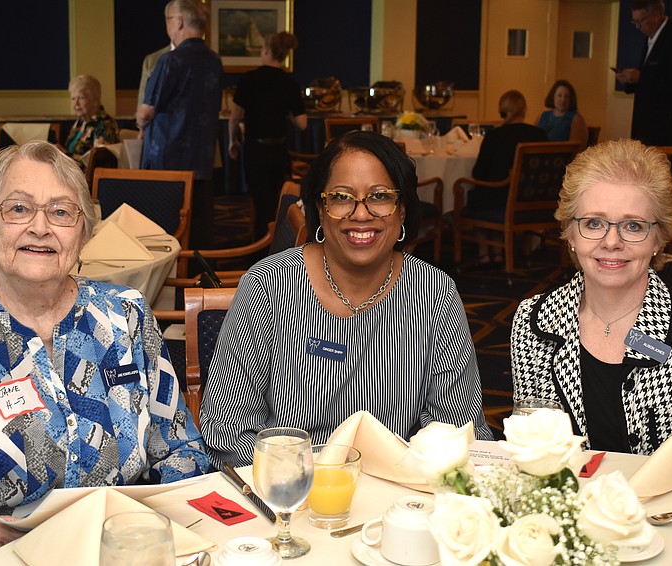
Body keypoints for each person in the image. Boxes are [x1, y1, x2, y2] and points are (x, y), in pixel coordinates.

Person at [0, 141, 210, 564]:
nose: (40, 227)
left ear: (83, 234)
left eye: (62, 212)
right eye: (19, 209)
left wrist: (146, 524)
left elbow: (183, 450)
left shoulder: (126, 317)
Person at [199, 131, 493, 467]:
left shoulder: (434, 293)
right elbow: (227, 432)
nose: (361, 214)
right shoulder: (268, 287)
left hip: (393, 495)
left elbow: (458, 431)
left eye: (380, 196)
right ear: (320, 211)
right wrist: (320, 476)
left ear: (402, 212)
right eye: (341, 197)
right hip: (286, 492)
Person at [510, 139, 672, 465]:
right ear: (570, 235)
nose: (611, 242)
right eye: (593, 223)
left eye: (633, 226)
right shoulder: (535, 321)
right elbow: (532, 455)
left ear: (659, 238)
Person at [137, 0, 222, 250]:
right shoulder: (214, 61)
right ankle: (199, 282)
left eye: (168, 20)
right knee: (199, 229)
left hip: (168, 161)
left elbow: (146, 111)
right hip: (202, 160)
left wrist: (141, 121)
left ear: (180, 21)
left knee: (167, 230)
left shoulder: (170, 60)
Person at [228, 31, 308, 240]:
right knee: (277, 200)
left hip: (256, 149)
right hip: (279, 151)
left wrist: (232, 141)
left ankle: (259, 247)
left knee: (259, 201)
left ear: (266, 51)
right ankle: (277, 245)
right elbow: (302, 123)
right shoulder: (290, 83)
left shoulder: (249, 79)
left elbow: (234, 118)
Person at [468, 90, 547, 264]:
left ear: (502, 110)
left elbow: (478, 173)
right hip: (534, 202)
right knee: (494, 194)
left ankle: (485, 252)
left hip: (501, 201)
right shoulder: (539, 135)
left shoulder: (495, 136)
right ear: (524, 110)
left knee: (475, 196)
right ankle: (497, 250)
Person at [615, 0, 672, 146]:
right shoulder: (650, 38)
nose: (638, 27)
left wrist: (641, 78)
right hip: (648, 123)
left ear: (657, 15)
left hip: (667, 125)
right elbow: (651, 76)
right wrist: (630, 80)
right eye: (635, 22)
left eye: (641, 21)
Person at [63, 74, 119, 163]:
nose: (76, 104)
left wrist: (65, 155)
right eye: (73, 98)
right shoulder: (80, 122)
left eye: (81, 98)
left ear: (95, 100)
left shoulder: (106, 125)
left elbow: (95, 163)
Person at [535, 80, 588, 148]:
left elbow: (576, 149)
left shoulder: (576, 119)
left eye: (567, 96)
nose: (563, 100)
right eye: (559, 95)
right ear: (553, 96)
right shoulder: (542, 116)